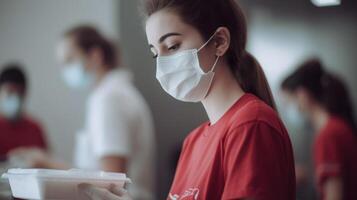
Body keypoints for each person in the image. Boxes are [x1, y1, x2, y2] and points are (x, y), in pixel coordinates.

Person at [78, 0, 296, 199]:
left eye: (172, 46)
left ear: (219, 41)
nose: (162, 64)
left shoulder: (251, 124)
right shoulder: (193, 141)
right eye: (155, 53)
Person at [11, 26, 156, 200]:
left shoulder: (109, 98)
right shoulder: (115, 92)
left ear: (95, 56)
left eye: (69, 60)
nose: (65, 70)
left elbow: (110, 182)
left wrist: (46, 164)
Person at [281, 59, 357, 200]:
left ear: (302, 94)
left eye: (288, 103)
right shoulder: (338, 127)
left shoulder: (329, 135)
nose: (289, 112)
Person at [0, 64, 47, 161]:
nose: (16, 98)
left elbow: (46, 161)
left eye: (20, 93)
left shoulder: (35, 128)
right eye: (10, 92)